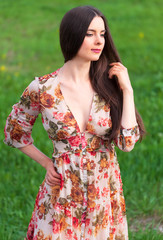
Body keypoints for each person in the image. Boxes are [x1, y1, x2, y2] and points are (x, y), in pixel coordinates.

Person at [4, 5, 145, 240]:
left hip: (103, 191)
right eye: (90, 33)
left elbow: (127, 143)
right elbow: (14, 132)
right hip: (62, 189)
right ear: (72, 35)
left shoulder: (110, 84)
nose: (98, 40)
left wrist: (127, 90)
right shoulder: (43, 88)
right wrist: (47, 163)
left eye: (102, 33)